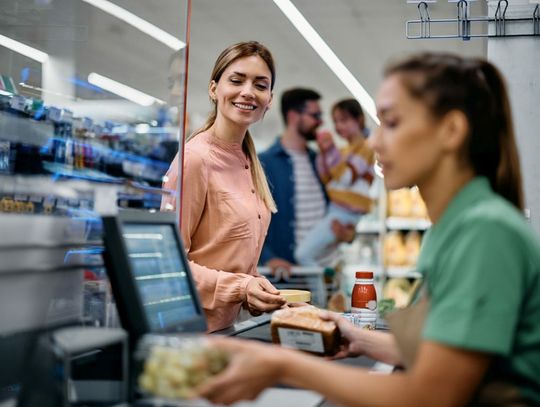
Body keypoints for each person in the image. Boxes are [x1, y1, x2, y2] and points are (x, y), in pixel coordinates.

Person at [197, 53, 540, 405]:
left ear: (450, 131)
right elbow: (442, 354)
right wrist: (358, 337)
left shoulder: (483, 232)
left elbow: (432, 395)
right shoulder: (457, 226)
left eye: (391, 123)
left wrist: (282, 366)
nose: (374, 142)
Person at [161, 41, 286, 333]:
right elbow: (169, 265)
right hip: (190, 335)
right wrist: (242, 287)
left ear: (269, 98)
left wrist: (260, 293)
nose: (247, 92)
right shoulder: (195, 159)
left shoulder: (248, 161)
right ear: (214, 89)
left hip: (227, 332)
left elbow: (228, 258)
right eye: (236, 80)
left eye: (260, 84)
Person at [259, 88, 353, 274]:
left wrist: (348, 234)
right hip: (290, 279)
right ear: (294, 116)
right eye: (315, 115)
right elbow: (248, 223)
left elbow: (340, 207)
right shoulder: (264, 163)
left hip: (327, 273)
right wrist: (267, 258)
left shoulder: (320, 160)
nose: (320, 122)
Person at [295, 98, 375, 266]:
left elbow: (345, 178)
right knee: (314, 255)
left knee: (303, 255)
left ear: (359, 119)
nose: (339, 126)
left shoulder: (366, 149)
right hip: (337, 210)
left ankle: (320, 291)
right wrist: (325, 154)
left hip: (345, 212)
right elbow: (327, 179)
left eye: (344, 120)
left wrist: (331, 151)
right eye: (336, 122)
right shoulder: (344, 151)